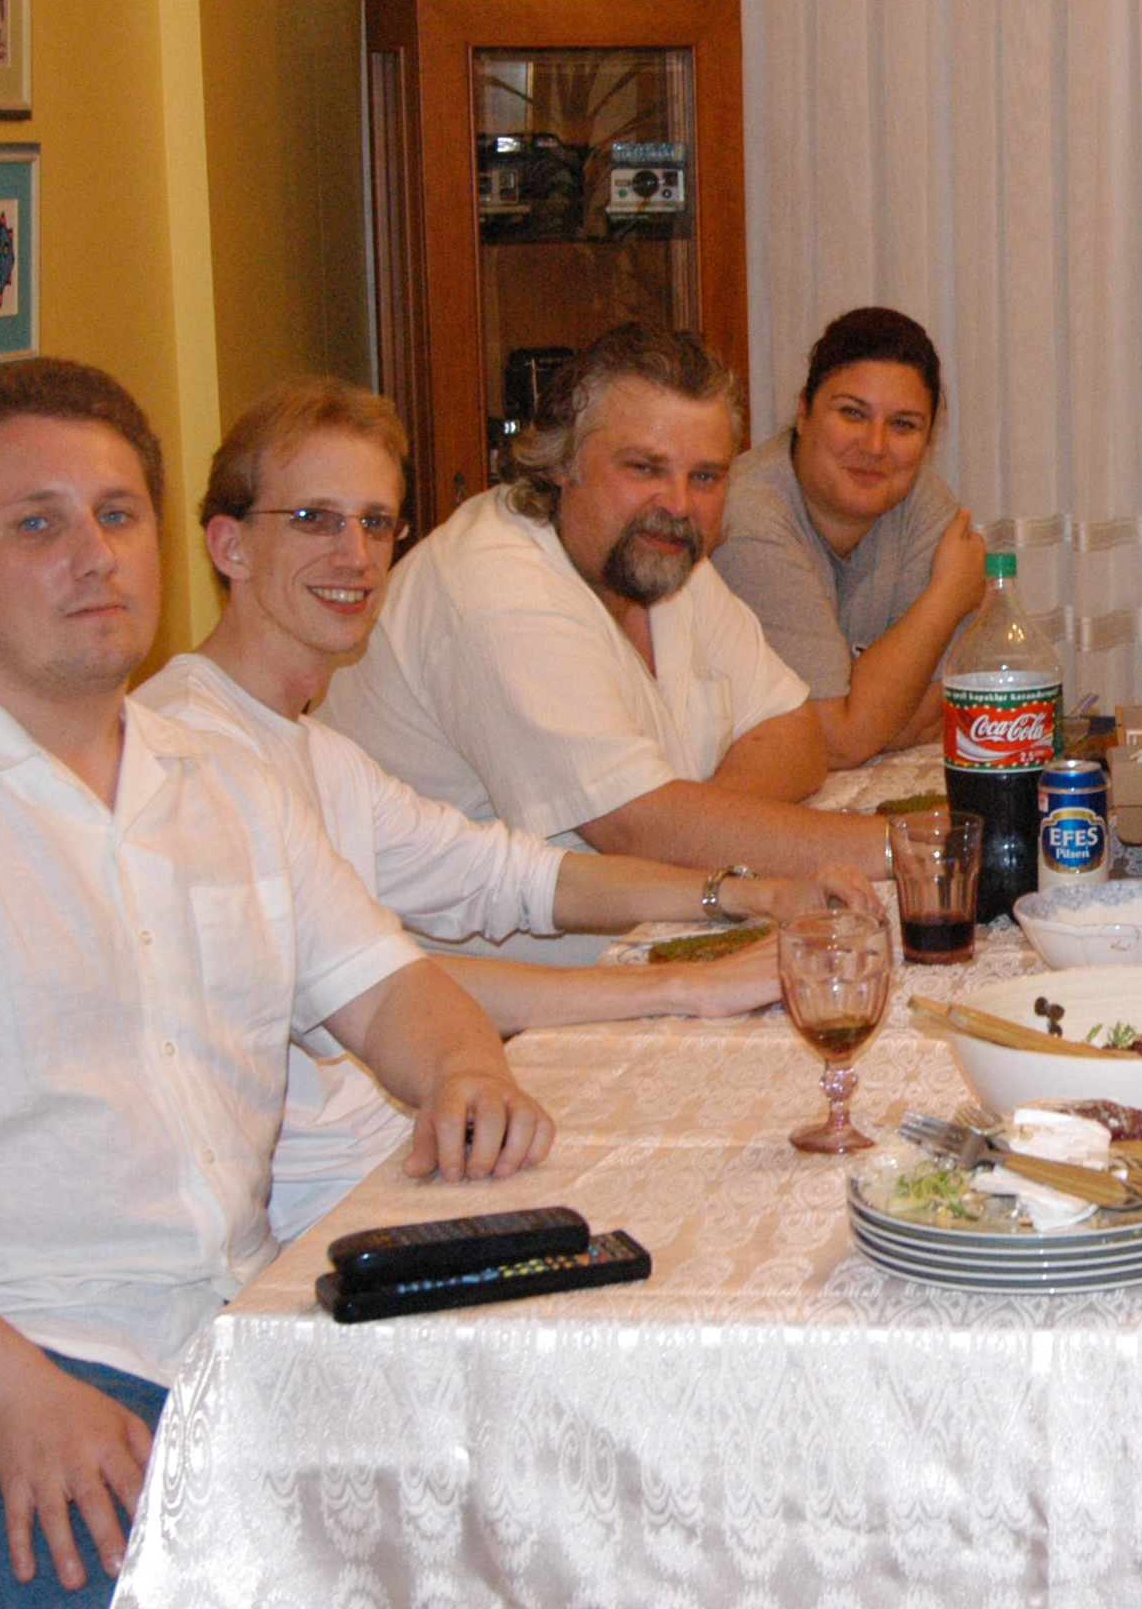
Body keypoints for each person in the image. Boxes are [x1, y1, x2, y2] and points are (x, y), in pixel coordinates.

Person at [0, 359, 551, 1608]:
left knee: (536, 1520)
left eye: (118, 513)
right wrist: (15, 1392)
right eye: (38, 523)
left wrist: (463, 1068)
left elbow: (391, 988)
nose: (95, 555)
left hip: (228, 1330)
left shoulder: (227, 783)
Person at [139, 378, 875, 1238]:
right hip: (334, 1210)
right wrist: (688, 987)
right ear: (228, 545)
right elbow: (379, 983)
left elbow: (512, 876)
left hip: (416, 1151)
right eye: (315, 520)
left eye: (375, 523)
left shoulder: (315, 750)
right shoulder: (186, 755)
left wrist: (753, 894)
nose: (355, 555)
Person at [320, 324, 895, 964]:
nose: (678, 503)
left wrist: (697, 826)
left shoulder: (661, 558)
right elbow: (635, 827)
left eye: (706, 477)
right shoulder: (497, 586)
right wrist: (907, 846)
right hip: (459, 997)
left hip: (650, 941)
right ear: (562, 463)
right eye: (644, 467)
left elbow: (797, 736)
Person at [712, 306, 988, 767]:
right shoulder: (744, 517)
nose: (875, 447)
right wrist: (948, 596)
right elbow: (836, 740)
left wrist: (867, 717)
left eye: (903, 425)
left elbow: (965, 698)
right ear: (804, 412)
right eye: (852, 413)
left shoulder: (921, 498)